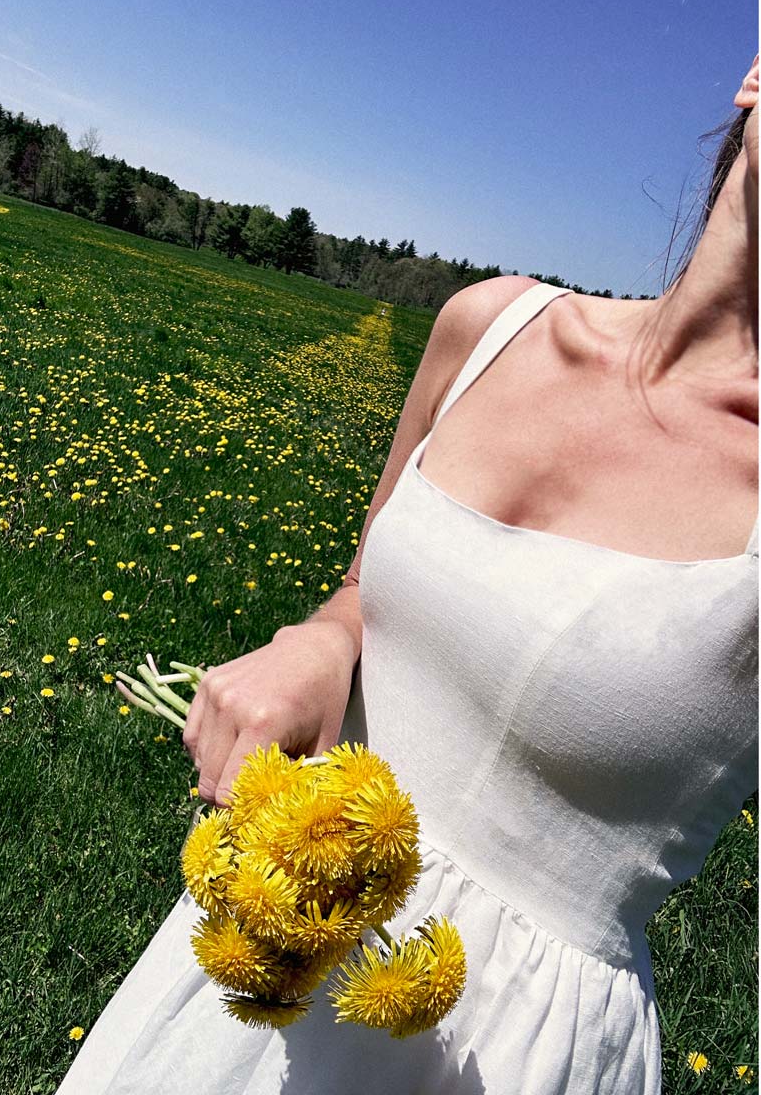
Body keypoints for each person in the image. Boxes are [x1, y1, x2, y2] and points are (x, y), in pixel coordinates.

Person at [57, 54, 759, 1095]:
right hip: (276, 938)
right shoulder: (490, 328)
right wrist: (318, 639)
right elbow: (358, 593)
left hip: (510, 1054)